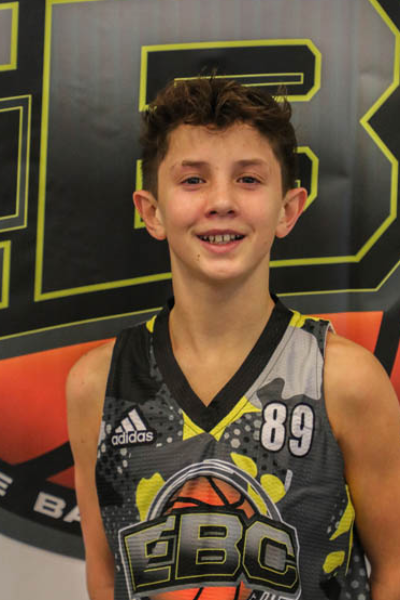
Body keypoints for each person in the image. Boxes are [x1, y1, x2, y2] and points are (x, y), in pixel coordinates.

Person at [67, 77, 400, 600]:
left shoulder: (344, 380)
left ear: (288, 209)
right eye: (193, 180)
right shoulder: (97, 384)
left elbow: (394, 571)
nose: (221, 201)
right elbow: (107, 576)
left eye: (248, 179)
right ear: (151, 211)